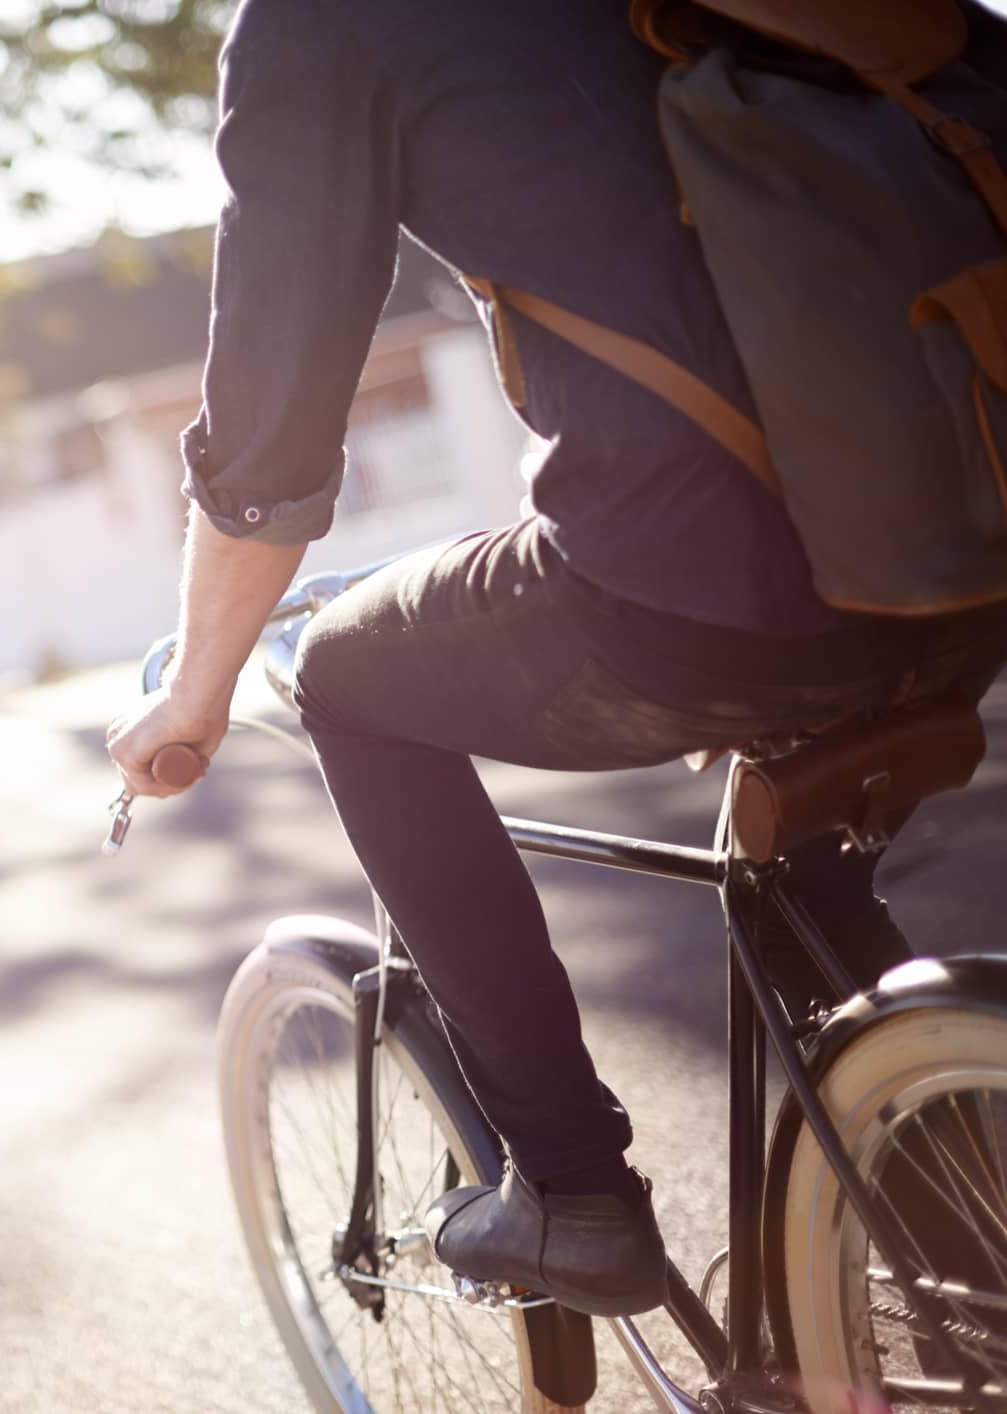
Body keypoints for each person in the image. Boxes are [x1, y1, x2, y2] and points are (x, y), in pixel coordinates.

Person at [105, 0, 1007, 1317]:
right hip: (963, 552)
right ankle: (962, 1248)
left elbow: (269, 431)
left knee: (352, 680)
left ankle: (571, 1189)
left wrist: (195, 691)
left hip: (724, 585)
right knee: (799, 838)